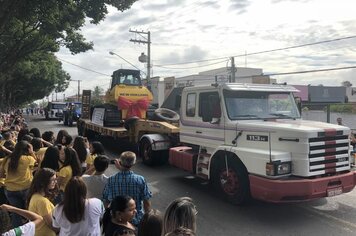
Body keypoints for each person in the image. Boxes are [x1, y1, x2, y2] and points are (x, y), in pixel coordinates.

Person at [103, 151, 152, 227]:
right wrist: (147, 220)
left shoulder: (111, 180)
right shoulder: (140, 179)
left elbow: (106, 201)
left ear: (120, 162)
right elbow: (146, 202)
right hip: (137, 220)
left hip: (117, 220)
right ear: (134, 163)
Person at [0, 141, 37, 227]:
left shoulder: (7, 159)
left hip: (10, 190)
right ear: (27, 149)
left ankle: (18, 231)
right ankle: (31, 228)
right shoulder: (28, 159)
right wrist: (32, 152)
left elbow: (1, 175)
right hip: (26, 188)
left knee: (16, 212)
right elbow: (36, 163)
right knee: (29, 210)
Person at [27, 168, 58, 236]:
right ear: (43, 182)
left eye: (55, 179)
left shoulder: (35, 196)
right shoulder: (42, 201)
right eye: (52, 180)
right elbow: (51, 224)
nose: (55, 182)